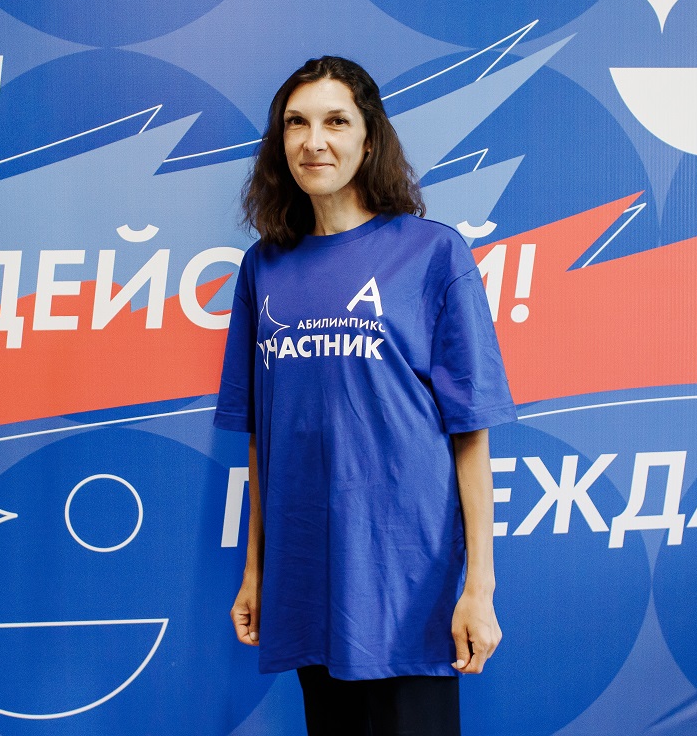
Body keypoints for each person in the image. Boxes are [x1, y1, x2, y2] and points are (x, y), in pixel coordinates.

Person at [214, 56, 517, 736]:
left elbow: (471, 430)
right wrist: (256, 571)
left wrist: (479, 587)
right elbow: (264, 437)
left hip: (407, 580)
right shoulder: (264, 267)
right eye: (296, 123)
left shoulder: (432, 254)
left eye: (336, 122)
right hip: (307, 577)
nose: (314, 142)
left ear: (369, 139)